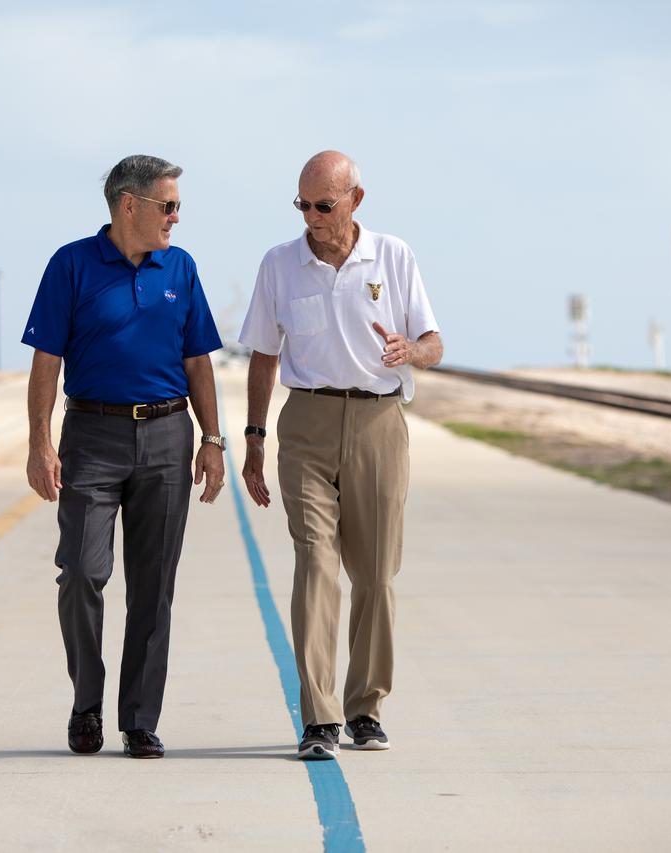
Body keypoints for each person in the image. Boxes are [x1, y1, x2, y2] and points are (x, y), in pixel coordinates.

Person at [238, 150, 442, 760]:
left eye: (323, 205)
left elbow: (434, 342)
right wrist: (253, 438)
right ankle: (319, 717)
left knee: (376, 575)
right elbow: (263, 355)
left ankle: (366, 708)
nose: (312, 217)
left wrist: (410, 351)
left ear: (356, 199)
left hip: (380, 422)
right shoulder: (280, 264)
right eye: (302, 205)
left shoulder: (394, 256)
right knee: (316, 564)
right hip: (306, 425)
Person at [23, 154, 225, 760]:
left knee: (154, 585)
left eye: (178, 206)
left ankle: (139, 718)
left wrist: (213, 440)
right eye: (168, 205)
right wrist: (39, 439)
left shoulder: (180, 267)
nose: (176, 218)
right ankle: (87, 704)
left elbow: (198, 362)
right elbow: (46, 361)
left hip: (168, 437)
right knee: (82, 572)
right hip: (92, 435)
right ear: (129, 205)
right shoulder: (72, 264)